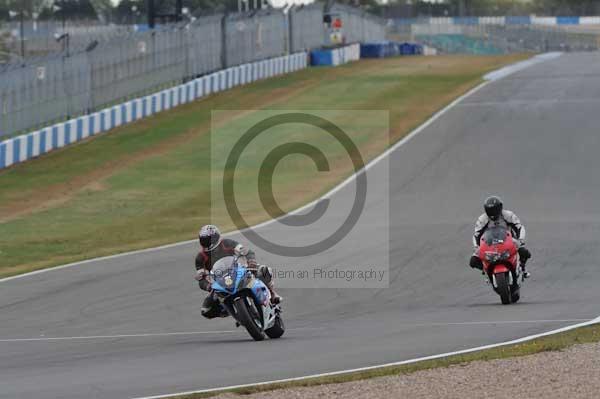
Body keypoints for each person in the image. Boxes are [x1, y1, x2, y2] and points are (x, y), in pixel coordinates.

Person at [194, 224, 281, 319]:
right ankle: (228, 310)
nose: (207, 242)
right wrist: (208, 286)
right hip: (220, 281)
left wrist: (251, 262)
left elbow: (246, 251)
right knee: (206, 310)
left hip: (238, 270)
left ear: (217, 237)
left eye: (209, 239)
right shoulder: (200, 258)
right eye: (204, 240)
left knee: (264, 270)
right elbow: (201, 278)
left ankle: (272, 293)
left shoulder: (227, 243)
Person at [469, 196, 532, 278]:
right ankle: (486, 271)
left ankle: (523, 269)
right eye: (490, 210)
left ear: (500, 208)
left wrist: (520, 240)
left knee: (524, 252)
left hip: (508, 240)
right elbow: (476, 235)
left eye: (494, 210)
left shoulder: (508, 215)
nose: (492, 212)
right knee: (473, 261)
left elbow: (519, 227)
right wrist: (477, 247)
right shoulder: (482, 219)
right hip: (489, 244)